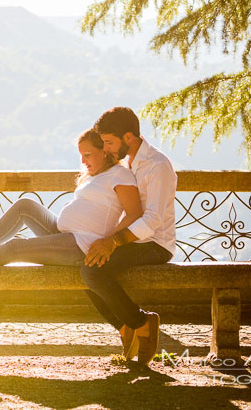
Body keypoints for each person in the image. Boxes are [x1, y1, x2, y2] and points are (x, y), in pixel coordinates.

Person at [0, 129, 143, 268]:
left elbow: (135, 213)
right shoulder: (95, 175)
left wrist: (109, 242)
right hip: (65, 235)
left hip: (81, 246)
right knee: (25, 205)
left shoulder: (120, 175)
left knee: (15, 248)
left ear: (104, 150)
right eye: (80, 155)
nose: (83, 161)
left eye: (88, 155)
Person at [81, 106, 177, 365]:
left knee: (92, 271)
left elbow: (153, 220)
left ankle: (142, 323)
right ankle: (126, 328)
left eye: (109, 143)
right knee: (82, 262)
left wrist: (113, 242)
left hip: (156, 243)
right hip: (132, 240)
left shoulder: (157, 165)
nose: (107, 149)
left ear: (128, 137)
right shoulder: (128, 164)